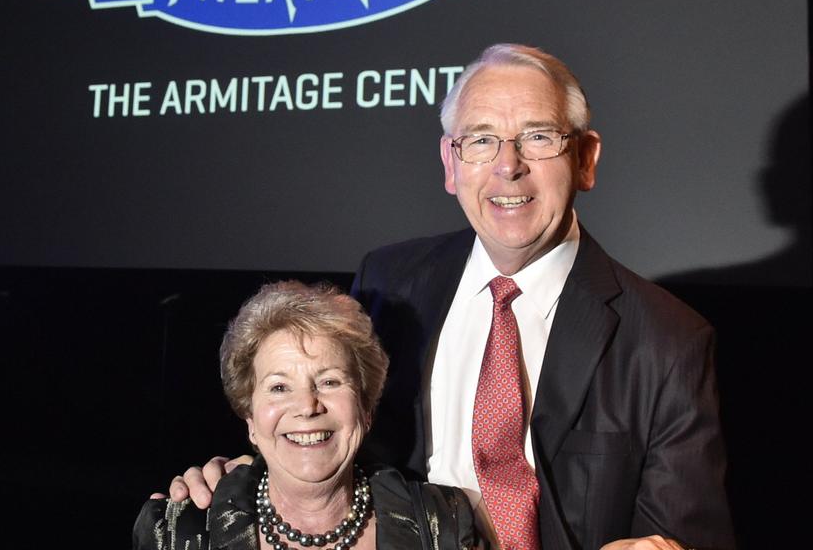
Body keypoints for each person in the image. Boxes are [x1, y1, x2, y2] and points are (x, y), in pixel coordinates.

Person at [166, 44, 735, 550]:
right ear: (450, 164)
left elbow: (689, 537)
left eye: (538, 136)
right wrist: (253, 477)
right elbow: (333, 435)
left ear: (584, 158)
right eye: (481, 141)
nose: (508, 167)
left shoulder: (666, 340)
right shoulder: (389, 283)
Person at [134, 280, 484, 550]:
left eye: (330, 381)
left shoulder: (442, 525)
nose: (307, 406)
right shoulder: (179, 532)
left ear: (365, 410)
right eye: (279, 387)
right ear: (251, 420)